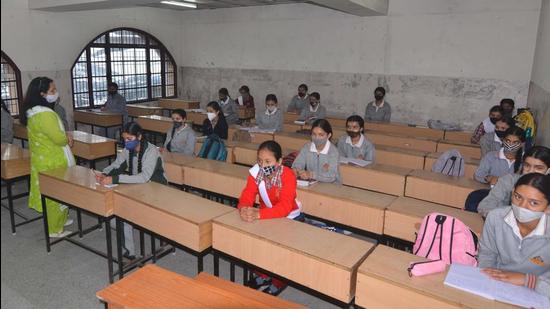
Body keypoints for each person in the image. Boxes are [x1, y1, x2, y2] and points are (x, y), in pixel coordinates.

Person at [238, 140, 303, 295]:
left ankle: (278, 281)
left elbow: (285, 207)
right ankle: (263, 275)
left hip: (289, 217)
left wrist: (258, 214)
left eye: (268, 161)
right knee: (257, 243)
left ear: (279, 162)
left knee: (278, 249)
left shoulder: (287, 175)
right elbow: (247, 195)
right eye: (260, 161)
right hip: (265, 214)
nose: (263, 165)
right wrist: (244, 209)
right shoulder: (255, 173)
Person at [97, 122, 167, 259]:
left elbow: (144, 177)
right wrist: (104, 173)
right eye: (124, 139)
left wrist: (115, 179)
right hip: (138, 186)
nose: (126, 142)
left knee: (123, 214)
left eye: (129, 139)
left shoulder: (151, 151)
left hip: (157, 189)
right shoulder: (128, 149)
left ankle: (129, 251)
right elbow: (118, 165)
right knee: (114, 216)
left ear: (139, 136)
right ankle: (129, 246)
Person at [478, 173, 550, 297]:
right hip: (498, 286)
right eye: (518, 197)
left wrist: (527, 280)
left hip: (539, 293)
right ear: (512, 193)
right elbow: (486, 255)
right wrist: (488, 279)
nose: (522, 206)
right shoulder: (495, 218)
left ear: (548, 208)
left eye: (533, 203)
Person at [20, 77, 75, 238]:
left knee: (56, 194)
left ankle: (60, 220)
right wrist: (67, 138)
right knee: (55, 196)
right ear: (42, 94)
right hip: (53, 160)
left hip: (44, 158)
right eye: (52, 91)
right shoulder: (44, 114)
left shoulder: (33, 112)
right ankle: (54, 229)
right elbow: (58, 138)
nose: (55, 93)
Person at [477, 146, 550, 217]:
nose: (531, 171)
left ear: (548, 170)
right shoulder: (509, 180)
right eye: (527, 166)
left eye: (538, 168)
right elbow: (484, 206)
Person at [292, 119, 341, 183]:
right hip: (312, 183)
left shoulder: (333, 152)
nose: (316, 138)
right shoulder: (307, 147)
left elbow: (331, 176)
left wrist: (311, 174)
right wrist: (297, 170)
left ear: (329, 135)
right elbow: (297, 164)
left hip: (331, 185)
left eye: (321, 135)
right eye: (314, 134)